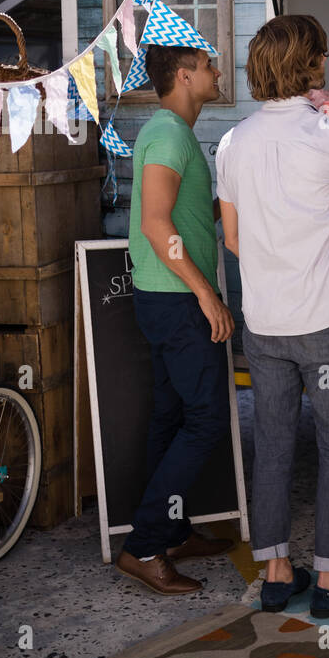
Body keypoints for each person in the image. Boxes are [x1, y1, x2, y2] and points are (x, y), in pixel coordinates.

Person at [216, 15, 329, 618]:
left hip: (264, 323)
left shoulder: (233, 142)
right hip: (325, 322)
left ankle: (274, 574)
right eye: (322, 55)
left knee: (271, 445)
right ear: (310, 65)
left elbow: (235, 240)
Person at [116, 43, 235, 595]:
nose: (218, 72)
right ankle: (144, 546)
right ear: (186, 77)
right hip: (176, 299)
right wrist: (206, 295)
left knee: (170, 418)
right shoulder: (167, 134)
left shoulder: (174, 133)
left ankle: (169, 532)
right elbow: (156, 222)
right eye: (210, 66)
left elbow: (181, 214)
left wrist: (229, 201)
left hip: (164, 298)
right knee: (205, 420)